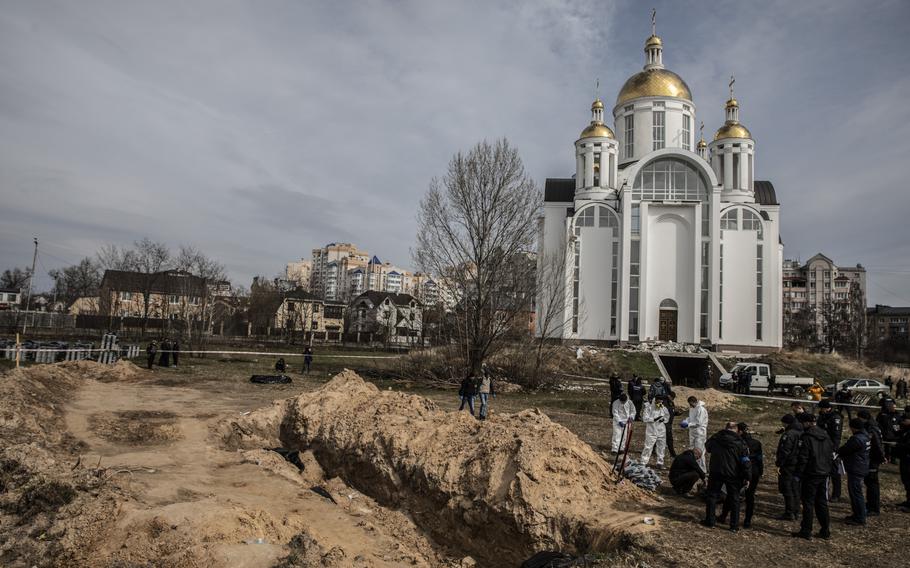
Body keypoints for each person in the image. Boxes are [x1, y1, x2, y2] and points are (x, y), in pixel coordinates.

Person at [701, 422, 751, 533]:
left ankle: (710, 521)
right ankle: (734, 525)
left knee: (712, 496)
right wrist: (747, 476)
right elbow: (745, 461)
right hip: (733, 474)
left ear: (726, 428)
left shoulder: (717, 438)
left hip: (716, 471)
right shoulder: (740, 442)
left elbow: (707, 447)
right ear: (736, 430)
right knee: (734, 498)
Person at [793, 413, 834, 540]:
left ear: (806, 423)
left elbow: (803, 457)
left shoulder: (807, 437)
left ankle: (806, 530)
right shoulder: (825, 435)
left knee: (808, 503)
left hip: (811, 474)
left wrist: (798, 474)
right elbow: (830, 453)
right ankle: (825, 530)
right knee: (821, 502)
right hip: (824, 473)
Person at [720, 422, 763, 528]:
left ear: (739, 431)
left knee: (732, 495)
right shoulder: (756, 443)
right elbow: (759, 459)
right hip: (754, 471)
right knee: (750, 496)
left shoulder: (737, 442)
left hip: (739, 471)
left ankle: (724, 516)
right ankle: (747, 520)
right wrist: (760, 471)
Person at [838, 418, 871, 526]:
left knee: (856, 493)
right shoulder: (866, 436)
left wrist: (838, 452)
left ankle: (860, 517)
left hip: (856, 468)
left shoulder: (857, 439)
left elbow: (845, 449)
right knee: (856, 493)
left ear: (853, 427)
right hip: (861, 466)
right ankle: (857, 514)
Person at [776, 414, 803, 520]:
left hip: (788, 465)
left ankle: (789, 512)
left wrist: (779, 463)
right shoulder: (802, 432)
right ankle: (796, 511)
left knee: (787, 488)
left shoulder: (789, 434)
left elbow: (785, 451)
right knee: (796, 488)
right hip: (798, 465)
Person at [857, 409, 884, 517]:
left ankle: (874, 508)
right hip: (871, 458)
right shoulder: (872, 426)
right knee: (870, 483)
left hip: (873, 459)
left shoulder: (871, 428)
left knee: (872, 483)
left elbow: (877, 444)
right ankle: (871, 504)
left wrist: (881, 457)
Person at [817, 400, 843, 502]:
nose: (821, 410)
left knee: (835, 472)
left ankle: (836, 494)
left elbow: (836, 436)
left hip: (831, 448)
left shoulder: (835, 418)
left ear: (827, 408)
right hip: (822, 446)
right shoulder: (822, 416)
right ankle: (823, 492)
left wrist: (834, 450)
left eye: (822, 408)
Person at [640, 397, 670, 469]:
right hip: (651, 430)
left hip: (661, 430)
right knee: (648, 447)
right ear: (655, 401)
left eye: (660, 402)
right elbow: (645, 418)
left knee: (661, 447)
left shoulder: (662, 407)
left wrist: (663, 419)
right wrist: (654, 419)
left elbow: (667, 416)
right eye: (658, 402)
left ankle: (660, 463)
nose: (659, 404)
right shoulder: (649, 408)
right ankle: (643, 462)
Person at [684, 395, 709, 472]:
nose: (690, 405)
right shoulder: (692, 408)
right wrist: (686, 421)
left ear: (693, 402)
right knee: (692, 450)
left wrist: (688, 424)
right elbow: (691, 418)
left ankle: (702, 469)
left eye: (690, 403)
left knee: (699, 451)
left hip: (700, 433)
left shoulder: (701, 409)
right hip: (692, 432)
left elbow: (698, 423)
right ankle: (694, 467)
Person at [894, 417, 910, 510]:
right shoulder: (905, 430)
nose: (902, 422)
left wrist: (897, 445)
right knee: (906, 481)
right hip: (904, 459)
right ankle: (908, 501)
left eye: (905, 420)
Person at [665, 391, 680, 458]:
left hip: (669, 424)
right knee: (669, 439)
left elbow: (672, 412)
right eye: (672, 397)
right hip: (664, 424)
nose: (672, 399)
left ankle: (672, 453)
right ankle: (672, 453)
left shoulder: (672, 403)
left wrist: (677, 413)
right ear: (669, 396)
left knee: (668, 439)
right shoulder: (663, 403)